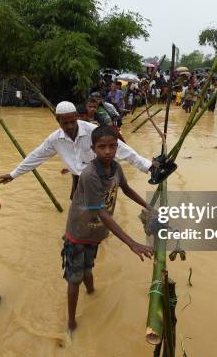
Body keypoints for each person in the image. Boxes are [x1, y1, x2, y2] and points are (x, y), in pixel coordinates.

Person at [62, 125, 154, 331]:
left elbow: (127, 189)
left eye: (112, 146)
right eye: (102, 147)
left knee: (88, 267)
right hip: (79, 231)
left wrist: (148, 207)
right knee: (74, 278)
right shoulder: (90, 175)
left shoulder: (116, 168)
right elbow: (102, 213)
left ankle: (92, 293)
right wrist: (133, 244)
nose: (108, 151)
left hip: (96, 232)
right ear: (93, 148)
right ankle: (71, 321)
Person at [0, 101, 154, 199]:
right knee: (77, 205)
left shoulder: (93, 131)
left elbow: (123, 150)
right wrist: (13, 174)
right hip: (78, 179)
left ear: (77, 117)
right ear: (57, 121)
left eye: (72, 121)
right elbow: (35, 157)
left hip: (98, 177)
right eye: (65, 123)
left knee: (99, 214)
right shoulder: (54, 139)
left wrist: (148, 166)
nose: (70, 126)